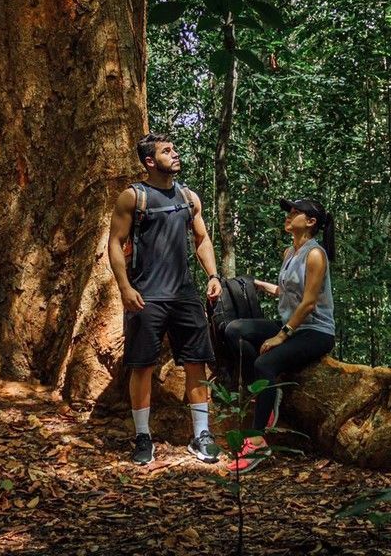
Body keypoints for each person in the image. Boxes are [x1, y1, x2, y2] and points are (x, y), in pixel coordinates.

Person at [108, 133, 224, 465]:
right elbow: (115, 242)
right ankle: (143, 437)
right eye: (167, 151)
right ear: (149, 161)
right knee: (142, 365)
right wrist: (124, 287)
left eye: (175, 148)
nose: (175, 154)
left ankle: (202, 435)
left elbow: (201, 238)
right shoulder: (134, 197)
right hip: (146, 296)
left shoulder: (188, 197)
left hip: (184, 295)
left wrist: (213, 275)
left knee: (195, 363)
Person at [224, 197, 337, 474]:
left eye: (296, 212)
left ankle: (257, 440)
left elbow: (309, 302)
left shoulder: (315, 254)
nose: (289, 216)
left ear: (310, 222)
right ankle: (269, 391)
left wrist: (281, 336)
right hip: (291, 323)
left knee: (265, 363)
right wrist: (258, 284)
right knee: (234, 331)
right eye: (289, 211)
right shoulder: (290, 252)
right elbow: (288, 292)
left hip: (315, 331)